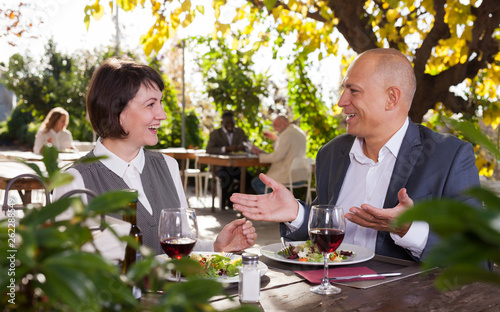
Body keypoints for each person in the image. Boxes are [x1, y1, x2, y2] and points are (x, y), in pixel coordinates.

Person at [231, 48, 480, 262]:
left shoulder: (450, 157)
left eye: (354, 91)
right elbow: (324, 236)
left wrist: (410, 230)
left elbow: (477, 259)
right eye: (343, 90)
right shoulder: (331, 154)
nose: (341, 101)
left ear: (391, 98)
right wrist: (298, 214)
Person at [53, 58, 257, 255]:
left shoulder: (168, 166)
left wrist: (216, 247)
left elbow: (181, 246)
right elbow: (69, 273)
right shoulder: (76, 181)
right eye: (151, 104)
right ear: (116, 111)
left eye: (160, 103)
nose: (162, 114)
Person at [206, 110, 253, 209]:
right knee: (225, 178)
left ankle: (230, 197)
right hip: (221, 166)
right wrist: (226, 149)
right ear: (222, 122)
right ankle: (223, 203)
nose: (230, 124)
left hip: (236, 166)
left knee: (249, 179)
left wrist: (244, 148)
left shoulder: (240, 132)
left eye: (232, 122)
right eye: (227, 122)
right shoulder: (215, 134)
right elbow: (209, 149)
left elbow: (247, 145)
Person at [250, 115, 308, 194]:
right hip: (300, 176)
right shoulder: (299, 131)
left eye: (275, 125)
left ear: (283, 122)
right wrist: (276, 139)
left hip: (288, 176)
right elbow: (287, 151)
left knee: (257, 183)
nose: (274, 129)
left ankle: (273, 205)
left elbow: (277, 157)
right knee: (259, 181)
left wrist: (259, 154)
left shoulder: (287, 133)